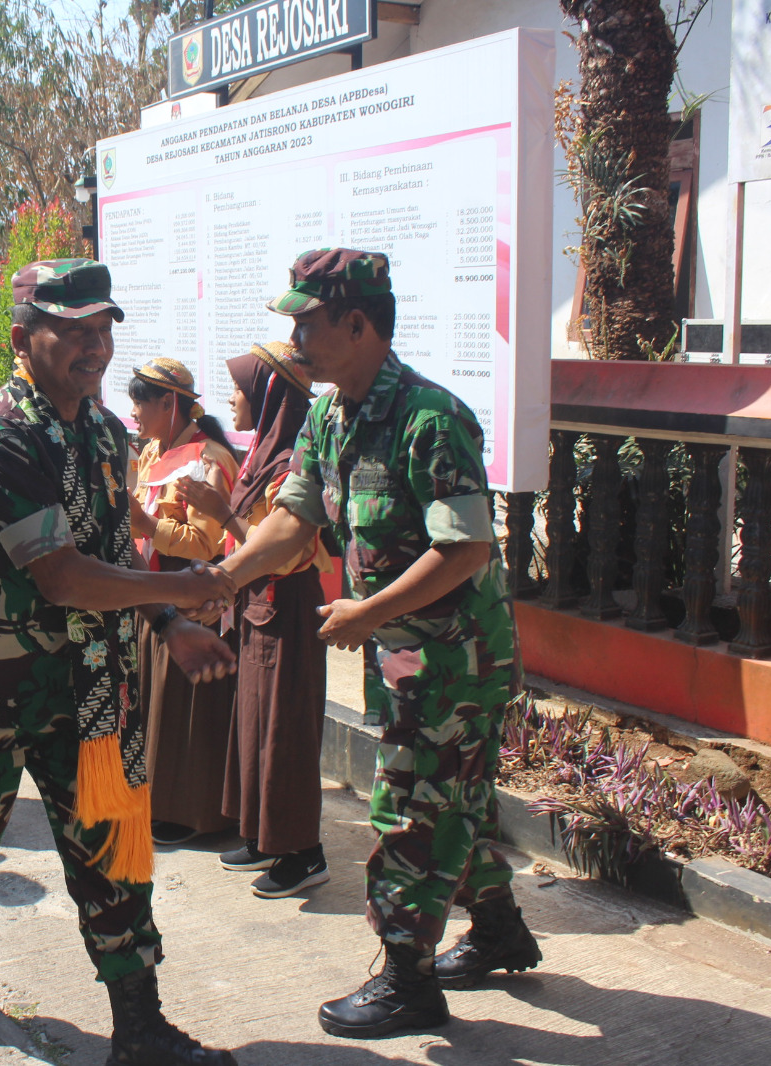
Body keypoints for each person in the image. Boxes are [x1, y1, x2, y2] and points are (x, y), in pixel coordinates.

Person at [0, 259, 239, 1066]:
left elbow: (109, 548)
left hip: (84, 681)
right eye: (75, 330)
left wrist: (165, 618)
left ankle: (140, 1025)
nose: (96, 346)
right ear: (24, 338)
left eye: (105, 329)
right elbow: (62, 574)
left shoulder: (99, 430)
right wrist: (188, 583)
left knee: (112, 846)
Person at [214, 249, 538, 1039]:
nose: (294, 334)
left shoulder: (433, 418)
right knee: (452, 800)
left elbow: (463, 551)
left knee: (410, 811)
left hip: (458, 660)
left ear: (357, 324)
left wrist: (365, 612)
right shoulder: (329, 416)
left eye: (306, 318)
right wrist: (220, 579)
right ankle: (497, 930)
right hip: (401, 656)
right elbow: (294, 521)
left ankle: (406, 980)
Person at [173, 341, 332, 898]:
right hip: (256, 606)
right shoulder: (262, 452)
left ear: (268, 399)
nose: (233, 401)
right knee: (255, 724)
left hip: (286, 605)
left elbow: (284, 551)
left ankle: (304, 853)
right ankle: (267, 836)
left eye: (241, 390)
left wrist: (221, 516)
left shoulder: (291, 462)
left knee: (284, 729)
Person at [126, 358, 241, 847]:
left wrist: (148, 526)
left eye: (139, 402)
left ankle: (199, 815)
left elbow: (204, 541)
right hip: (153, 589)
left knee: (190, 709)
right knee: (157, 704)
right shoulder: (153, 451)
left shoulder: (208, 458)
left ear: (168, 403)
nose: (132, 412)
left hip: (192, 593)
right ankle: (160, 806)